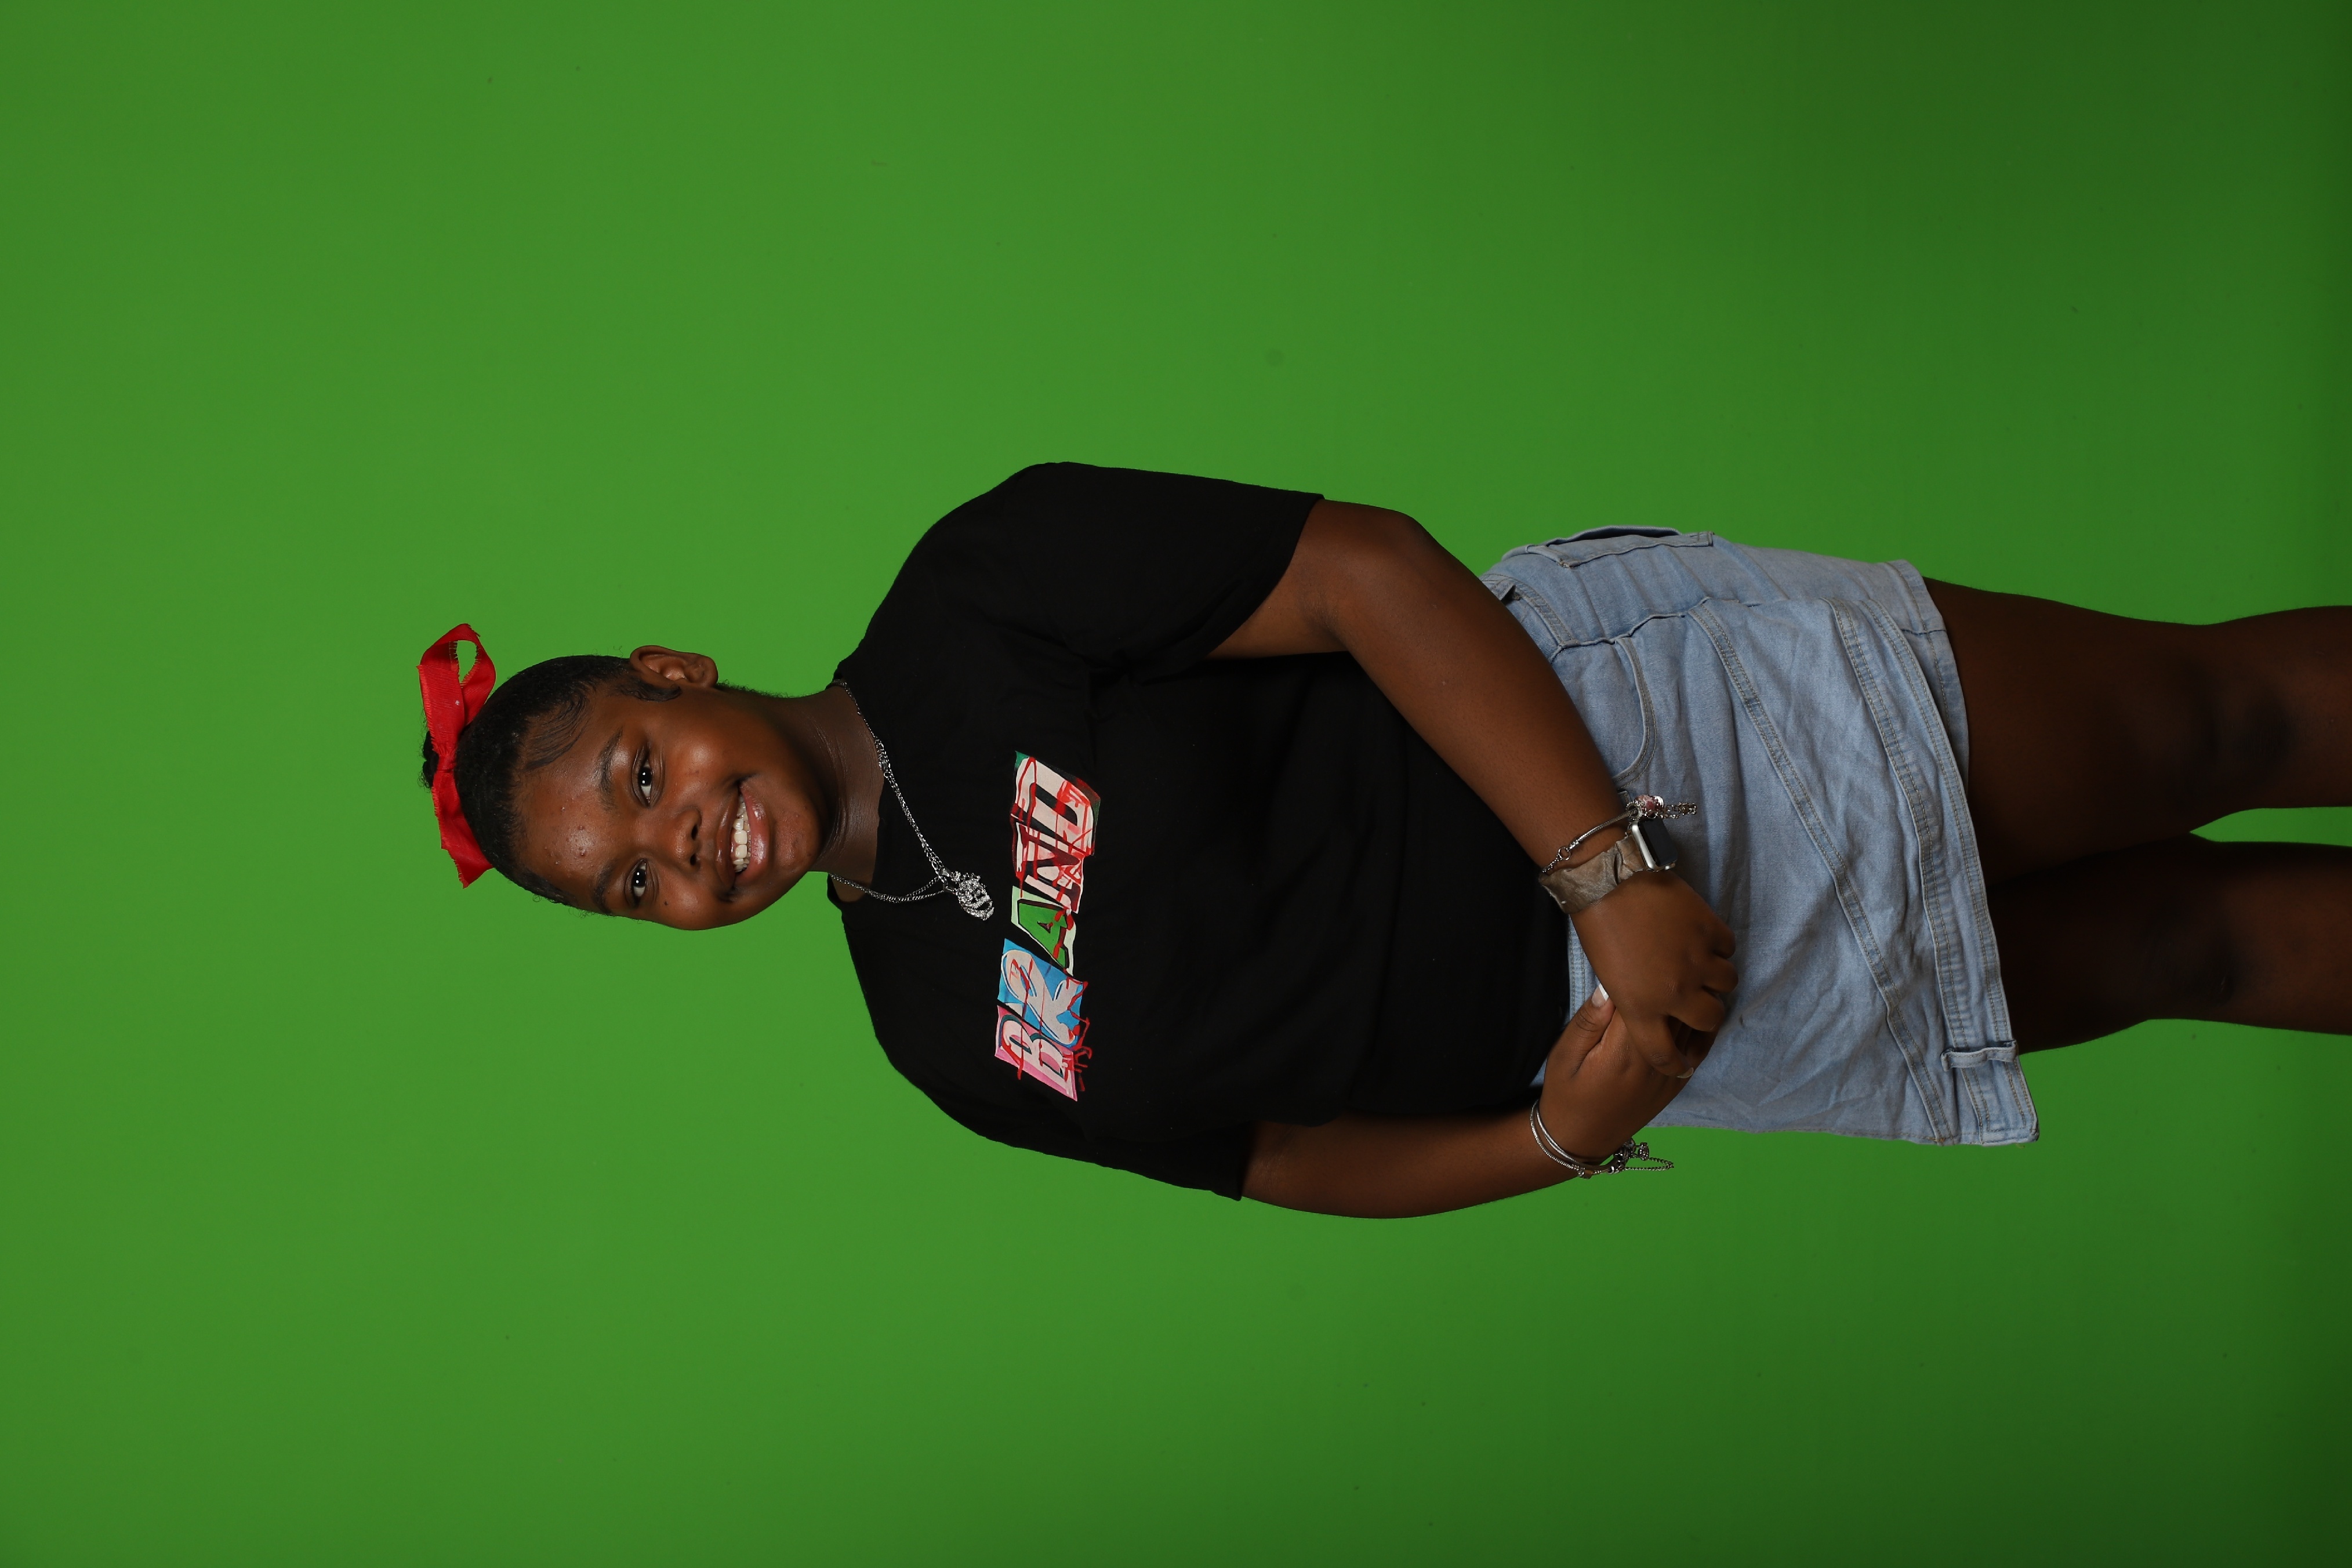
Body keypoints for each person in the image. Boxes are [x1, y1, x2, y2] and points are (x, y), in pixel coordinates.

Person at [415, 464, 2352, 1217]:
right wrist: (1561, 1137)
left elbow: (1366, 573)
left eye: (643, 777)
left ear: (675, 673)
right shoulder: (938, 1036)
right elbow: (1278, 1159)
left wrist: (1608, 876)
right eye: (633, 885)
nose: (686, 849)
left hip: (1644, 760)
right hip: (1666, 1021)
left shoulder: (974, 597)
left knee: (2212, 726)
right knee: (2177, 954)